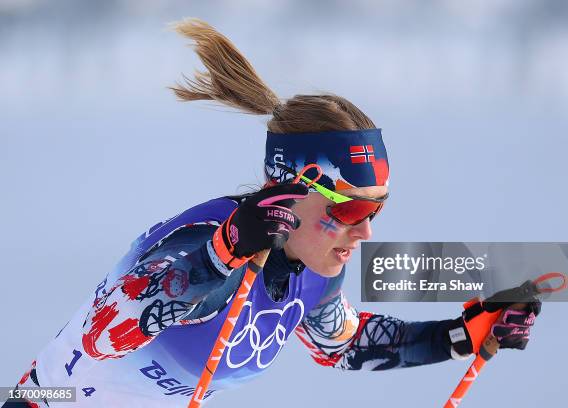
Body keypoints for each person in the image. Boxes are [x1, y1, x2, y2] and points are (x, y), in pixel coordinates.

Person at [4, 19, 541, 408]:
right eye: (350, 207)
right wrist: (220, 255)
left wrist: (459, 337)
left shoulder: (315, 262)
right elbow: (104, 334)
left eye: (378, 207)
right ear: (288, 189)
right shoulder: (207, 237)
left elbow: (343, 344)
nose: (366, 230)